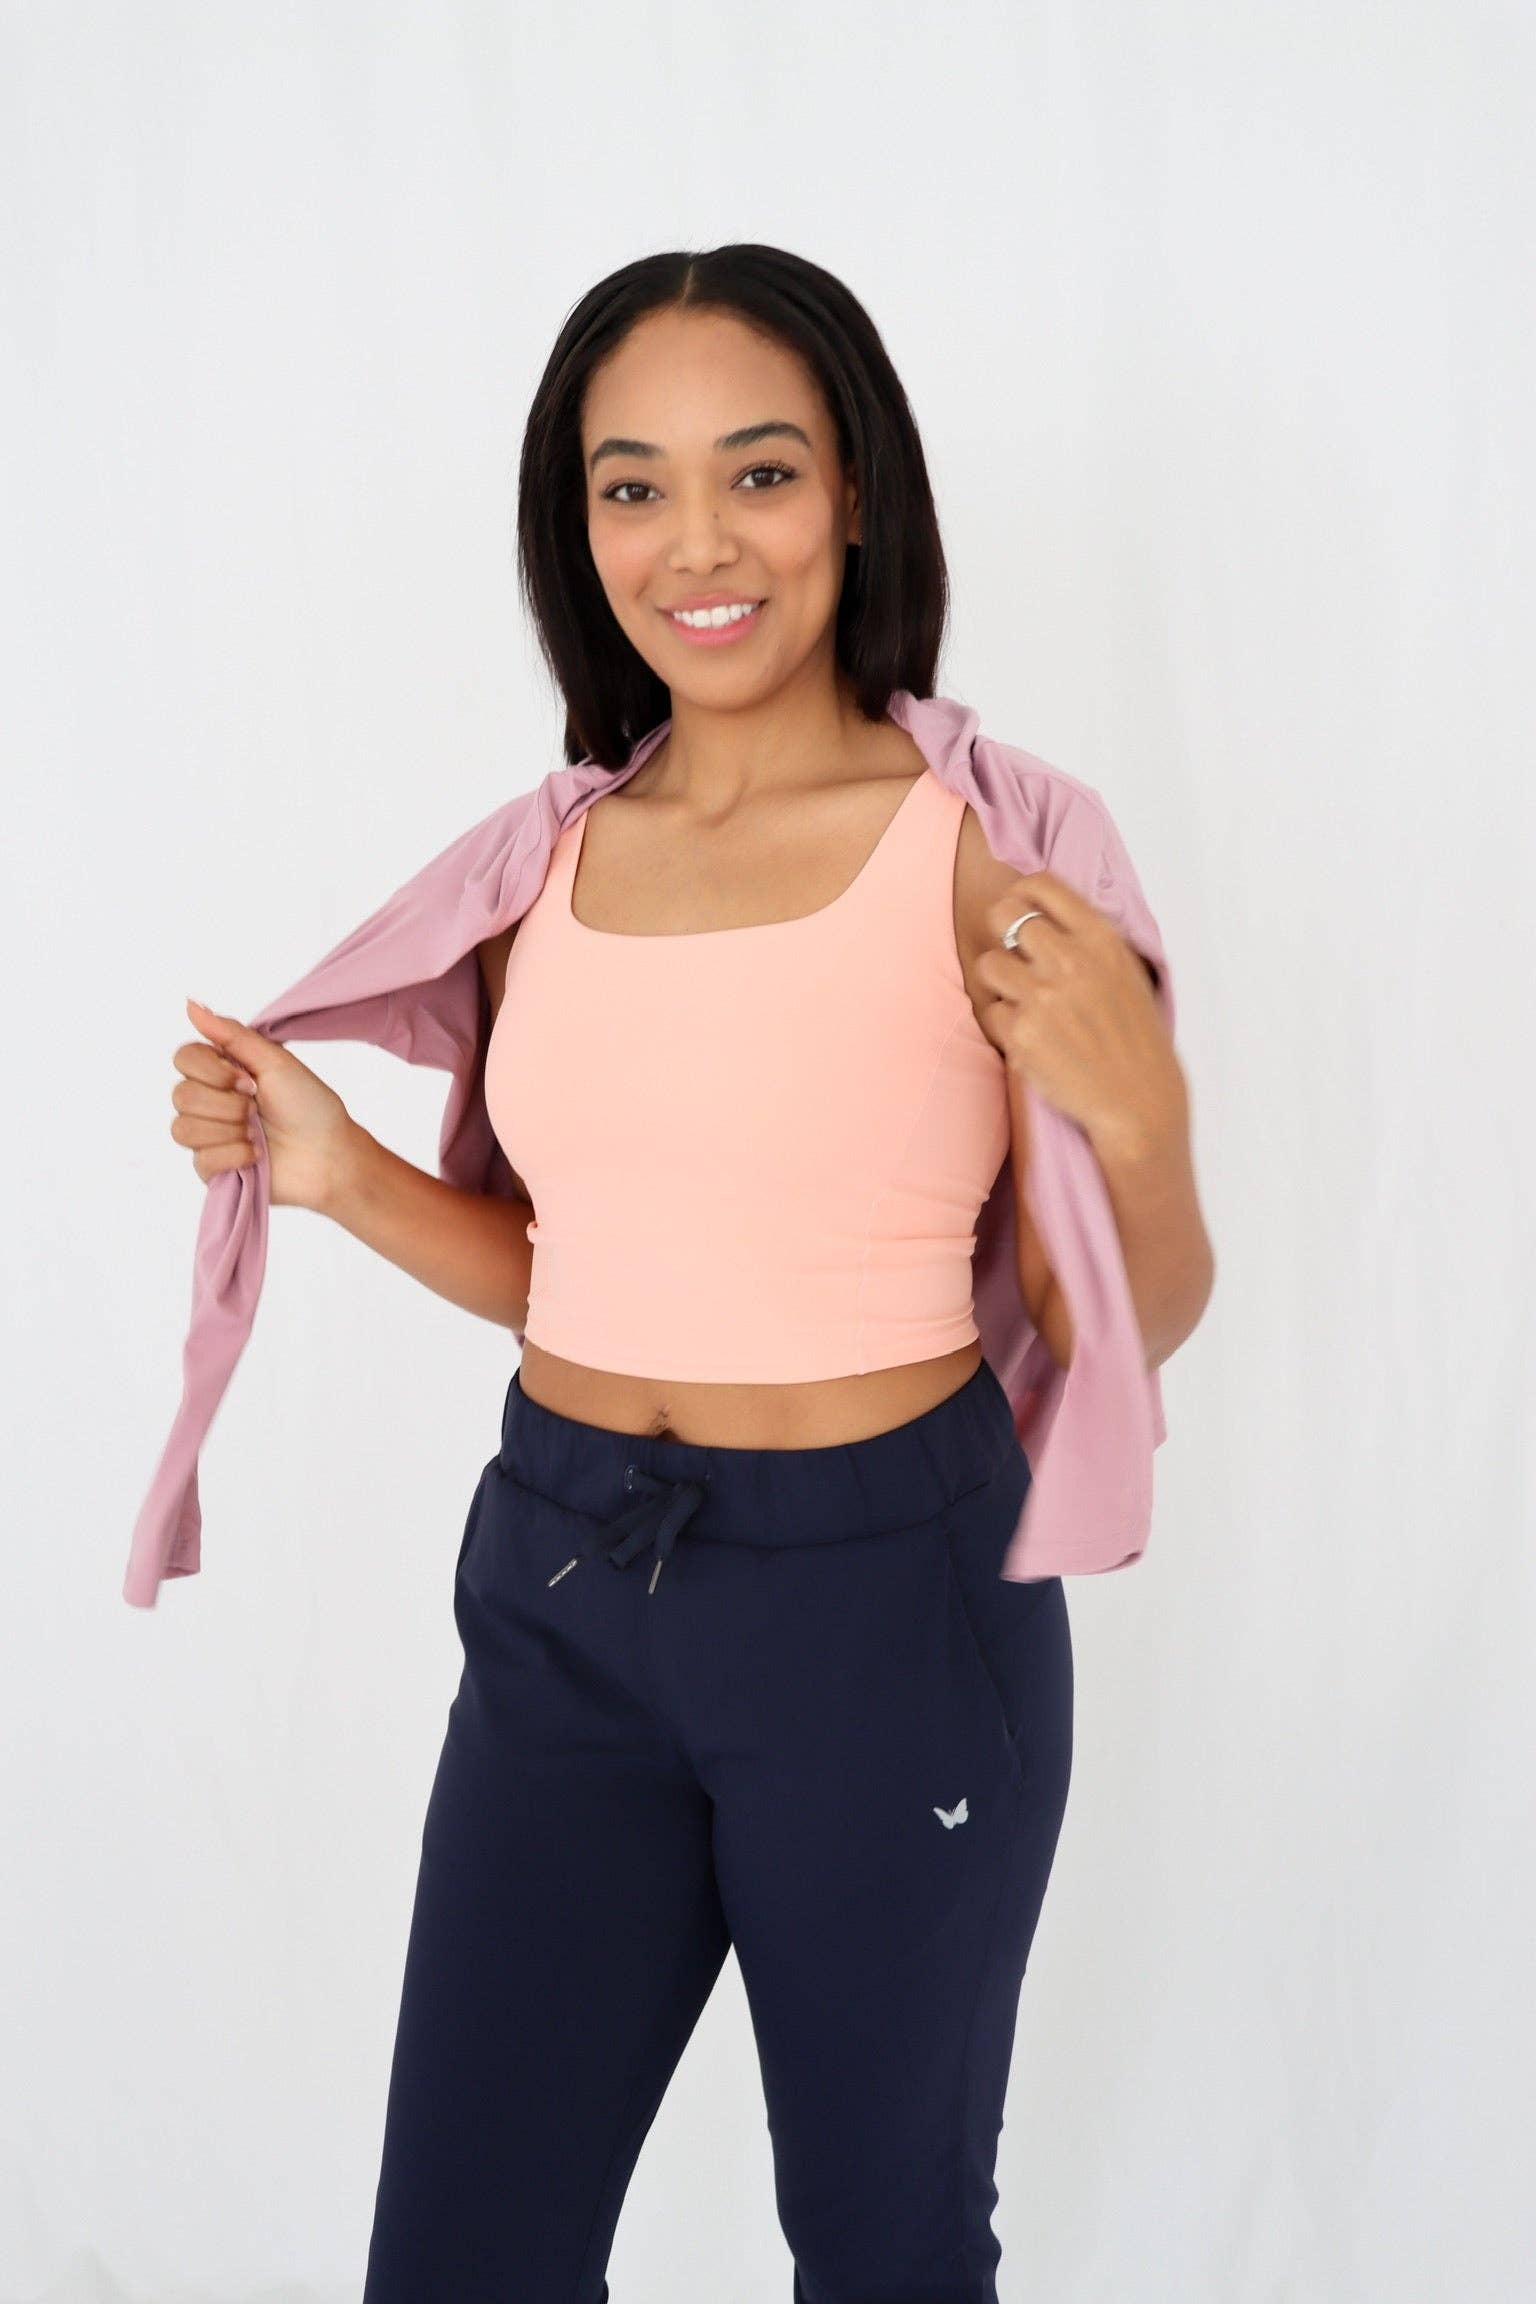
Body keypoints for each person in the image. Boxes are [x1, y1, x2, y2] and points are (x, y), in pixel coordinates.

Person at [172, 246, 1212, 2302]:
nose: (698, 543)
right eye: (632, 486)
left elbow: (1123, 1328)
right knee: (461, 2255)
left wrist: (1145, 1116)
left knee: (887, 2252)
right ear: (578, 529)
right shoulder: (545, 859)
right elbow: (590, 1273)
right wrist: (342, 1173)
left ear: (856, 496)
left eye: (760, 473)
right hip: (562, 1575)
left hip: (885, 1604)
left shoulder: (986, 847)